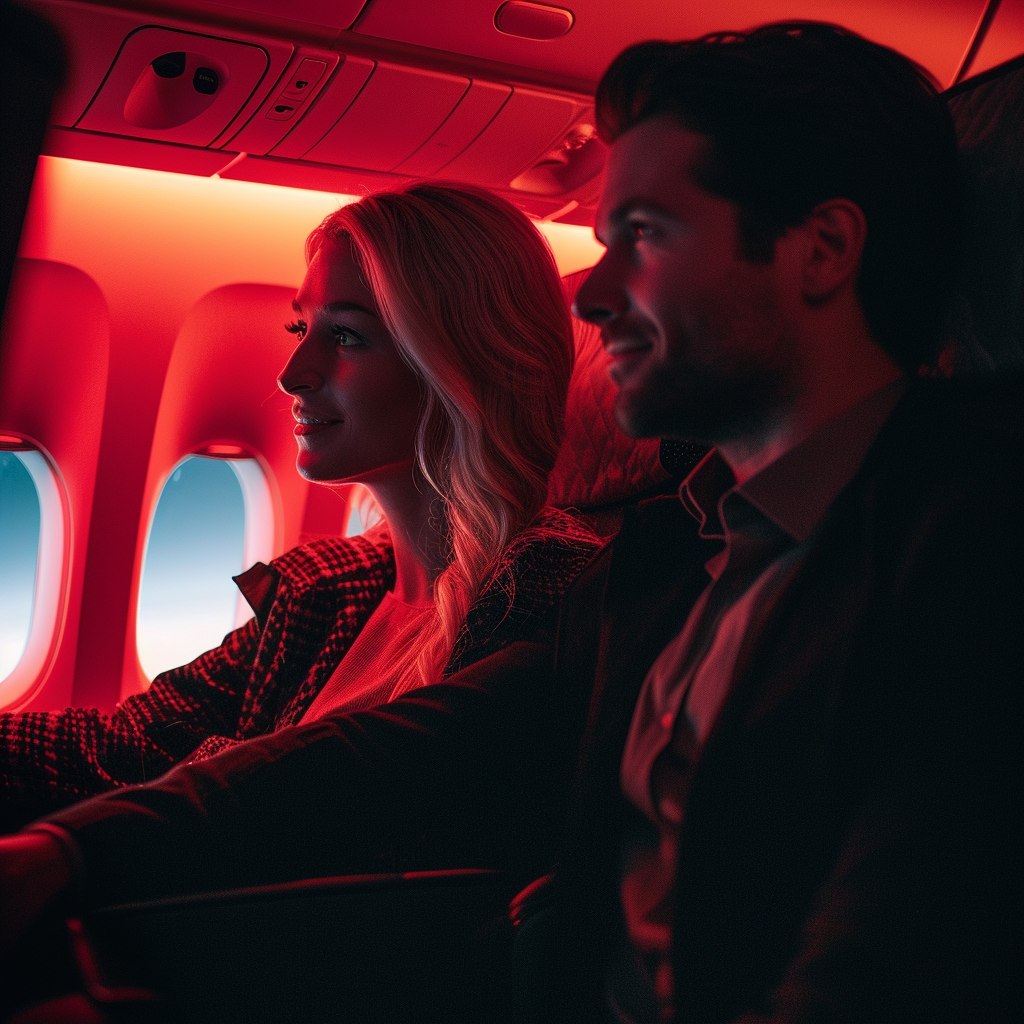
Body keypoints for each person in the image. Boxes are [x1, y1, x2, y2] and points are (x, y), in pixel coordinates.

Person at [510, 22, 1021, 1024]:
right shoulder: (671, 552)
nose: (591, 294)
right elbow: (440, 740)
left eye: (644, 235)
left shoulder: (978, 536)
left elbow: (891, 968)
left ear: (821, 249)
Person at [0, 182, 599, 832]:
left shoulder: (548, 591)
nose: (291, 373)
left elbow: (354, 830)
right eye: (300, 327)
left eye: (345, 337)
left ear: (463, 359)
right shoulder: (323, 589)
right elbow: (124, 747)